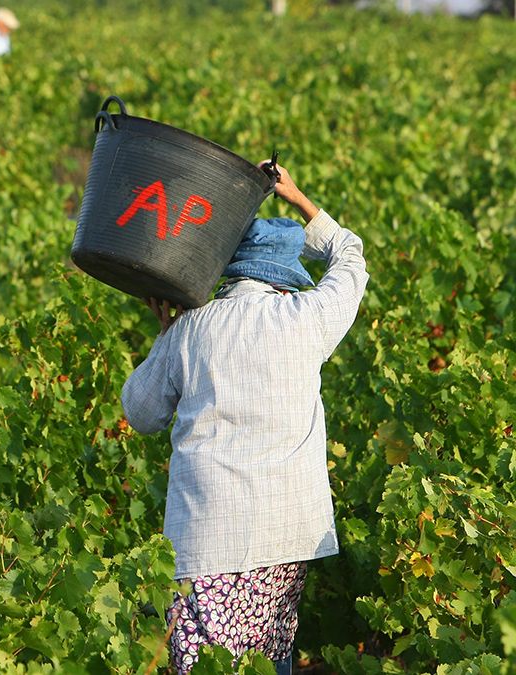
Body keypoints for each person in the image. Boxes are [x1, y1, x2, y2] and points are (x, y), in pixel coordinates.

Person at [119, 164, 369, 675]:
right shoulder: (308, 318)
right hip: (286, 537)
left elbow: (139, 413)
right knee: (266, 664)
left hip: (207, 538)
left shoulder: (192, 328)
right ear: (285, 278)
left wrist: (163, 336)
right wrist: (298, 197)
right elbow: (351, 258)